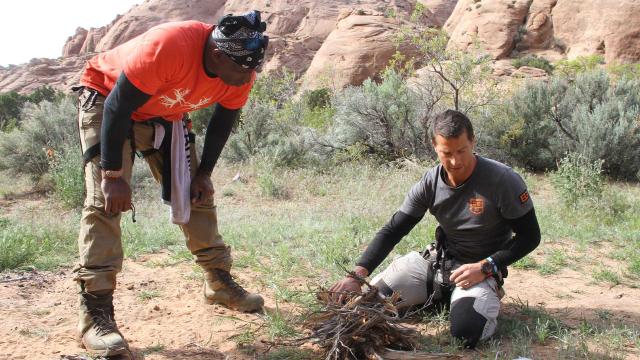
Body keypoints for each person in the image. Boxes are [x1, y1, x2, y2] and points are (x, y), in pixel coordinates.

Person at [73, 11, 269, 356]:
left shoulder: (240, 64)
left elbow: (224, 121)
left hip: (163, 110)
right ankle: (95, 313)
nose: (248, 77)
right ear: (217, 55)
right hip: (107, 100)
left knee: (195, 191)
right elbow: (119, 106)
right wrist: (113, 175)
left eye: (252, 69)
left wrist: (204, 173)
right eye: (242, 70)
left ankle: (218, 282)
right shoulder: (169, 46)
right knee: (104, 203)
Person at [329, 110, 541, 348]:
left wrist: (486, 266)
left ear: (473, 141)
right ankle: (440, 296)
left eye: (462, 150)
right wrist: (357, 276)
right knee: (365, 306)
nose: (455, 161)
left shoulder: (503, 180)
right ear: (434, 146)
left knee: (465, 333)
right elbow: (394, 230)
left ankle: (468, 299)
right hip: (437, 264)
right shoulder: (430, 182)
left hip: (481, 270)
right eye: (446, 153)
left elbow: (530, 237)